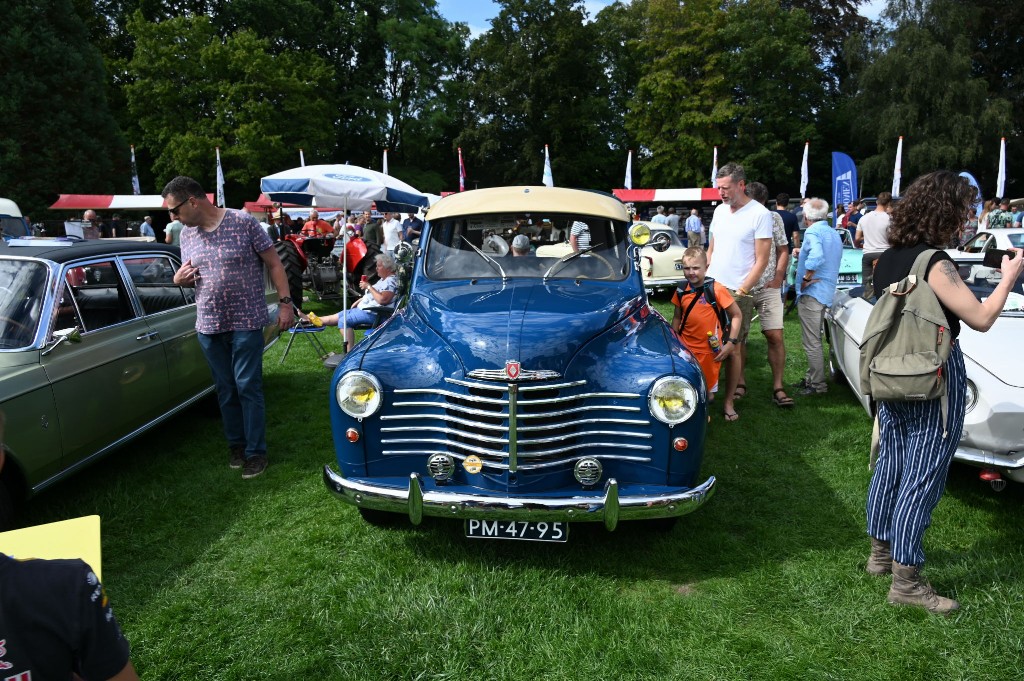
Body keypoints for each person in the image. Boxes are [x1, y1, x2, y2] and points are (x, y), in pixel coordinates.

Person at [865, 170, 1024, 614]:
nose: (969, 217)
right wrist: (1009, 275)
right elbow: (980, 317)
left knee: (891, 465)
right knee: (923, 473)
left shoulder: (890, 258)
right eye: (965, 209)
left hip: (891, 373)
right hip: (932, 376)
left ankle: (879, 556)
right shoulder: (934, 262)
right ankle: (907, 581)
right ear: (947, 210)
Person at [165, 176, 295, 479]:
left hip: (246, 320)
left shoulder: (243, 222)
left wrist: (286, 303)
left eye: (175, 210)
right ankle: (236, 445)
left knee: (248, 386)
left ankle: (255, 452)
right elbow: (189, 274)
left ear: (193, 201)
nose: (172, 217)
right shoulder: (187, 234)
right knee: (225, 389)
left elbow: (275, 263)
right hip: (209, 323)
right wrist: (178, 280)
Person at [705, 162, 772, 417]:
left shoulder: (760, 214)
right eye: (718, 188)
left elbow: (762, 259)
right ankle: (707, 392)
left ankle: (728, 402)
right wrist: (705, 276)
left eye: (726, 188)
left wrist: (742, 291)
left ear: (741, 185)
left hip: (737, 290)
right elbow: (712, 247)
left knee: (733, 348)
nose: (721, 193)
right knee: (706, 341)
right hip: (712, 286)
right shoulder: (720, 211)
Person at [671, 248, 742, 410]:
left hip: (710, 351)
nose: (691, 272)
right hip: (686, 349)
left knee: (707, 392)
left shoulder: (716, 289)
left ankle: (716, 407)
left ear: (706, 267)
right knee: (688, 387)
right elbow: (677, 317)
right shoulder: (681, 289)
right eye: (687, 268)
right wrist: (674, 341)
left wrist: (731, 342)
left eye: (696, 268)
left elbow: (737, 315)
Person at [746, 182, 794, 408]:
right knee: (738, 338)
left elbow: (783, 249)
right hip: (741, 287)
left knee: (775, 335)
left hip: (768, 287)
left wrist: (777, 278)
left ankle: (778, 386)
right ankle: (739, 383)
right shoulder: (735, 216)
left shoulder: (773, 218)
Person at [793, 198, 843, 395]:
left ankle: (817, 385)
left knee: (812, 341)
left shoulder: (813, 231)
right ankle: (811, 379)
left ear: (806, 217)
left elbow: (817, 257)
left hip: (813, 292)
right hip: (826, 291)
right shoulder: (833, 232)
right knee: (815, 339)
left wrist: (806, 278)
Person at [303, 253, 399, 350]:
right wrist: (362, 299)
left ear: (388, 268)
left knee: (344, 321)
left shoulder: (390, 282)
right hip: (370, 311)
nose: (376, 268)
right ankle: (311, 319)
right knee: (341, 314)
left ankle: (349, 353)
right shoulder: (385, 280)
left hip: (375, 314)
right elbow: (378, 296)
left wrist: (368, 286)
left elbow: (383, 300)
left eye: (379, 266)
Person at [855, 192, 893, 300]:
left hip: (868, 254)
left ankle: (867, 305)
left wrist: (864, 240)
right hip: (884, 254)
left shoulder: (864, 218)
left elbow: (857, 238)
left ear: (877, 202)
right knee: (885, 283)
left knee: (868, 284)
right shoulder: (889, 219)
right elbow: (892, 238)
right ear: (889, 203)